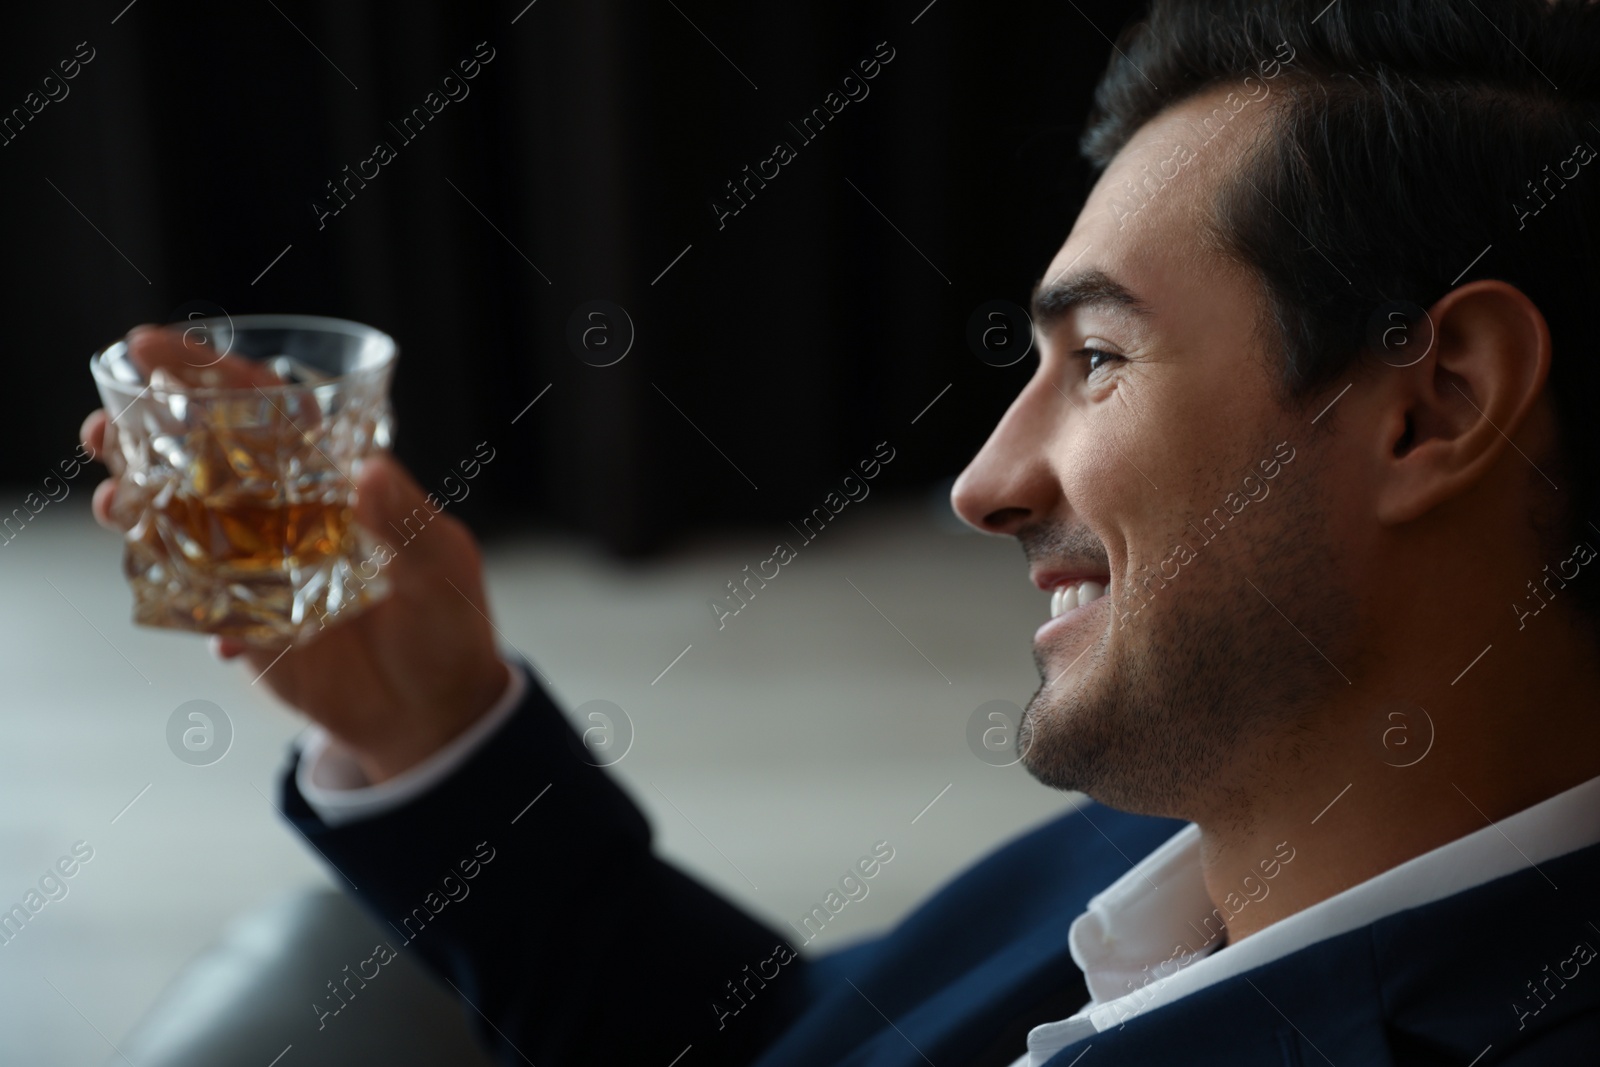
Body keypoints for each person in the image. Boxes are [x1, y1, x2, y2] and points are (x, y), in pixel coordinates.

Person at [79, 1, 1600, 1063]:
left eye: (1101, 359)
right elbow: (786, 1048)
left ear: (1433, 405)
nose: (986, 483)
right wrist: (434, 730)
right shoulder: (1189, 808)